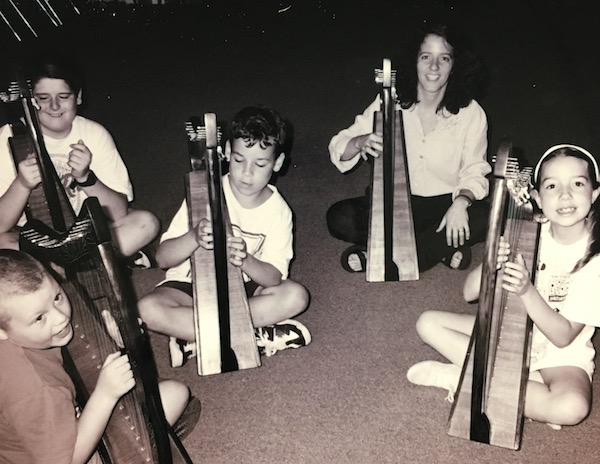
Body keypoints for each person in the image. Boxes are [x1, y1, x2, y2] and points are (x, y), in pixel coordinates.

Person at [406, 144, 600, 429]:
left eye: (578, 183)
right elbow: (468, 293)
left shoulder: (595, 259)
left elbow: (563, 337)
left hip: (561, 356)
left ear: (594, 193)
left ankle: (465, 378)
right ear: (536, 197)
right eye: (551, 186)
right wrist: (490, 263)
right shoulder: (528, 232)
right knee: (428, 323)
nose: (565, 195)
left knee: (571, 408)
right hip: (509, 330)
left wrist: (526, 291)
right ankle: (516, 390)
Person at [138, 106, 311, 366]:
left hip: (245, 288)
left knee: (296, 296)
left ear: (277, 163)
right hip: (189, 287)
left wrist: (247, 261)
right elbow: (163, 258)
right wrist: (193, 237)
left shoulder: (279, 211)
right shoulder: (204, 192)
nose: (247, 173)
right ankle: (252, 334)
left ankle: (197, 336)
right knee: (147, 309)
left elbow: (274, 277)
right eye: (239, 160)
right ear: (228, 152)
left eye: (260, 163)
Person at [0, 249, 200, 464]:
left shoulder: (17, 337)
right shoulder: (36, 390)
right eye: (39, 318)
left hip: (44, 435)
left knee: (167, 399)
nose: (60, 318)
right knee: (175, 395)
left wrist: (109, 339)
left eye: (57, 297)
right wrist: (105, 395)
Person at [327, 22, 491, 273]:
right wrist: (360, 142)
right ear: (413, 61)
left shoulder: (471, 113)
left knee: (486, 217)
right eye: (426, 57)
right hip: (394, 203)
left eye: (444, 58)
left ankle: (385, 257)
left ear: (455, 65)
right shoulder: (390, 99)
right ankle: (441, 248)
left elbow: (475, 170)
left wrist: (461, 203)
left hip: (444, 203)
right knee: (338, 217)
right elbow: (339, 145)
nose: (434, 67)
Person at [0, 52, 158, 268]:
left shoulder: (94, 133)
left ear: (79, 97)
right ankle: (98, 263)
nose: (54, 106)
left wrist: (86, 178)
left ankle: (59, 270)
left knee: (145, 223)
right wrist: (22, 184)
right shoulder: (9, 138)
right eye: (43, 98)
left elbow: (119, 211)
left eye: (64, 97)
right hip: (34, 240)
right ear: (30, 102)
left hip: (84, 232)